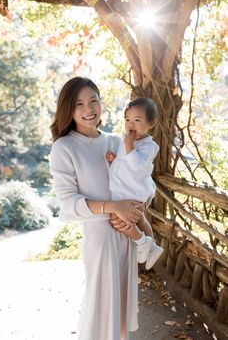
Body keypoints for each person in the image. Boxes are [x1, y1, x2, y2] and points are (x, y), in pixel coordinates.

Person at [49, 77, 146, 340]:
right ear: (68, 109)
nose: (88, 108)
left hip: (126, 235)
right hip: (100, 240)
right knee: (100, 309)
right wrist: (113, 207)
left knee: (122, 312)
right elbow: (68, 205)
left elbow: (139, 181)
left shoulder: (115, 142)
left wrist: (135, 211)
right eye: (79, 103)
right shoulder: (64, 147)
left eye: (93, 100)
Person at [106, 97, 163, 269]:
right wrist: (116, 159)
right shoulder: (129, 142)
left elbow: (138, 166)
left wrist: (128, 146)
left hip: (133, 192)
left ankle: (142, 242)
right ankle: (151, 246)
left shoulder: (149, 146)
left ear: (151, 123)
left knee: (119, 218)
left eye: (137, 120)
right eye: (128, 119)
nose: (131, 124)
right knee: (140, 220)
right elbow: (126, 164)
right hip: (127, 191)